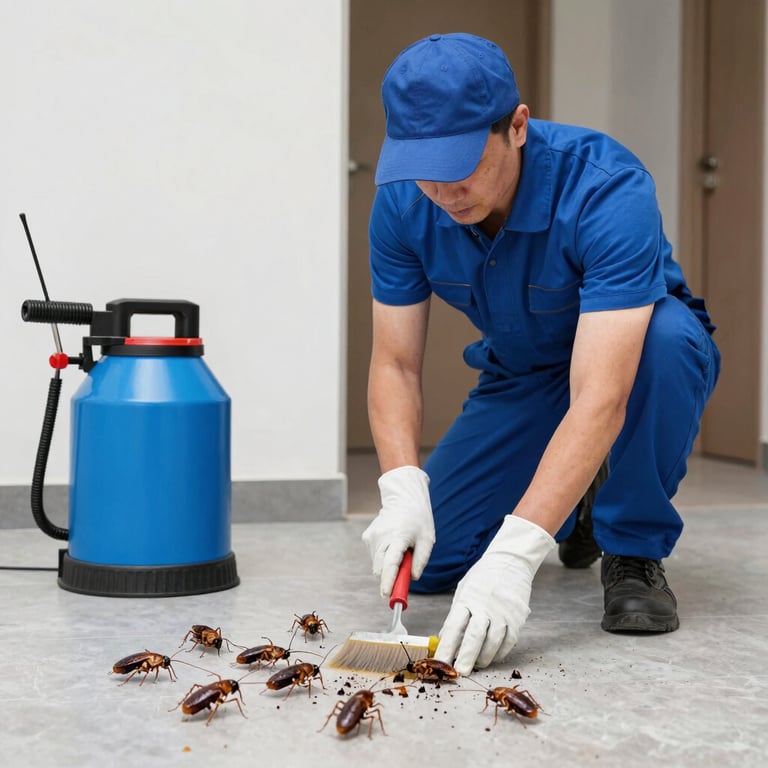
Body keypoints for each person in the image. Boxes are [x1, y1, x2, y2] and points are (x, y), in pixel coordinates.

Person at [360, 32, 720, 676]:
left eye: (460, 163)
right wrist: (400, 486)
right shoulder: (401, 204)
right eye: (424, 167)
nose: (442, 190)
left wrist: (517, 555)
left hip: (629, 361)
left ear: (517, 127)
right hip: (523, 373)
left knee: (668, 342)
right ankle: (578, 496)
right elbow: (395, 362)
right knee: (438, 565)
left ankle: (632, 544)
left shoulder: (607, 187)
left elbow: (601, 393)